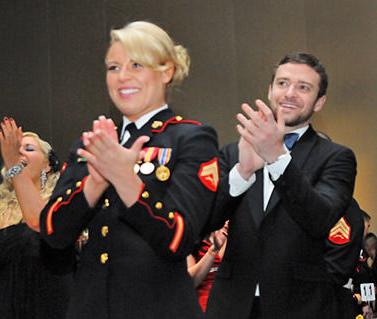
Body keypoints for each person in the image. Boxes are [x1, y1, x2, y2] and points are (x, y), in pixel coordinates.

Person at [40, 21, 219, 319]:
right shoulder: (90, 144)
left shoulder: (191, 138)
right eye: (113, 67)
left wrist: (125, 179)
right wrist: (94, 184)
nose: (123, 77)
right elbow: (52, 233)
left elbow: (179, 239)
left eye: (136, 65)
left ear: (166, 71)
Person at [205, 52, 357, 319]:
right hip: (231, 304)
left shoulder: (336, 157)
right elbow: (206, 220)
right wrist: (243, 172)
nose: (290, 93)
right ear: (270, 90)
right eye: (283, 83)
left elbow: (320, 219)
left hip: (301, 305)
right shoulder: (233, 153)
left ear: (319, 102)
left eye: (303, 87)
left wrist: (276, 158)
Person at [0, 120, 75, 319]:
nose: (19, 153)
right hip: (7, 307)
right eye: (16, 150)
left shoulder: (60, 201)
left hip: (52, 306)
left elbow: (38, 220)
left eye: (28, 148)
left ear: (47, 165)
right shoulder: (1, 208)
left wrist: (13, 164)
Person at [187, 221, 228, 311]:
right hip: (203, 307)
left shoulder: (241, 239)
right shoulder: (195, 239)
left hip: (231, 305)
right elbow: (190, 282)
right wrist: (213, 250)